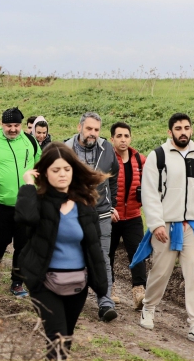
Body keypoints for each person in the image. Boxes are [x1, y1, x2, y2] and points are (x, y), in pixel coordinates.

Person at [16, 142, 109, 359]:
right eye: (55, 170)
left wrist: (101, 284)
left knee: (65, 340)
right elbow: (25, 218)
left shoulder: (84, 204)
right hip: (45, 282)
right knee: (56, 340)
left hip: (77, 283)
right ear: (45, 173)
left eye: (67, 169)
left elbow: (94, 247)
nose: (62, 174)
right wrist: (29, 184)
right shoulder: (38, 201)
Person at [131, 113, 194, 346]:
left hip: (193, 226)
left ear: (192, 130)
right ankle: (148, 308)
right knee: (160, 272)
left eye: (187, 127)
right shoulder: (158, 156)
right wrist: (156, 223)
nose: (183, 132)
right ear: (170, 132)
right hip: (166, 225)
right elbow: (149, 193)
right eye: (178, 128)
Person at [0, 107, 41, 297]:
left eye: (16, 125)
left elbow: (40, 163)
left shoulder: (30, 141)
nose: (12, 129)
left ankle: (17, 283)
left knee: (23, 245)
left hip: (26, 203)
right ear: (2, 125)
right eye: (8, 125)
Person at [64, 112, 119, 322]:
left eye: (96, 130)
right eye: (89, 129)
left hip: (101, 213)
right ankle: (68, 296)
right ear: (79, 128)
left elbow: (113, 178)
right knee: (73, 255)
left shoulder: (107, 150)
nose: (93, 134)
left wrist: (111, 203)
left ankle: (105, 302)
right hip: (73, 213)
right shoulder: (65, 149)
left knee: (102, 257)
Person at [106, 121, 147, 309]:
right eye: (119, 136)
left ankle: (139, 291)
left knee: (138, 254)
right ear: (112, 139)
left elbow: (151, 186)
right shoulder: (106, 159)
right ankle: (109, 288)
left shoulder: (140, 160)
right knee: (108, 254)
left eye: (126, 136)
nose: (123, 139)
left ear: (130, 138)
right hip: (110, 216)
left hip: (132, 216)